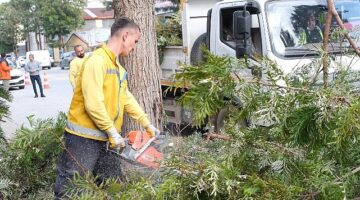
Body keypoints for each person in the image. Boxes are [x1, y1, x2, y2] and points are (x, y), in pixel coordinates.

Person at [54, 17, 161, 199]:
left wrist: (146, 124)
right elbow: (93, 103)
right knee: (71, 189)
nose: (134, 46)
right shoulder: (97, 61)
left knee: (110, 186)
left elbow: (126, 97)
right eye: (135, 41)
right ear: (125, 35)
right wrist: (112, 132)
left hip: (107, 140)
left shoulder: (117, 66)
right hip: (83, 139)